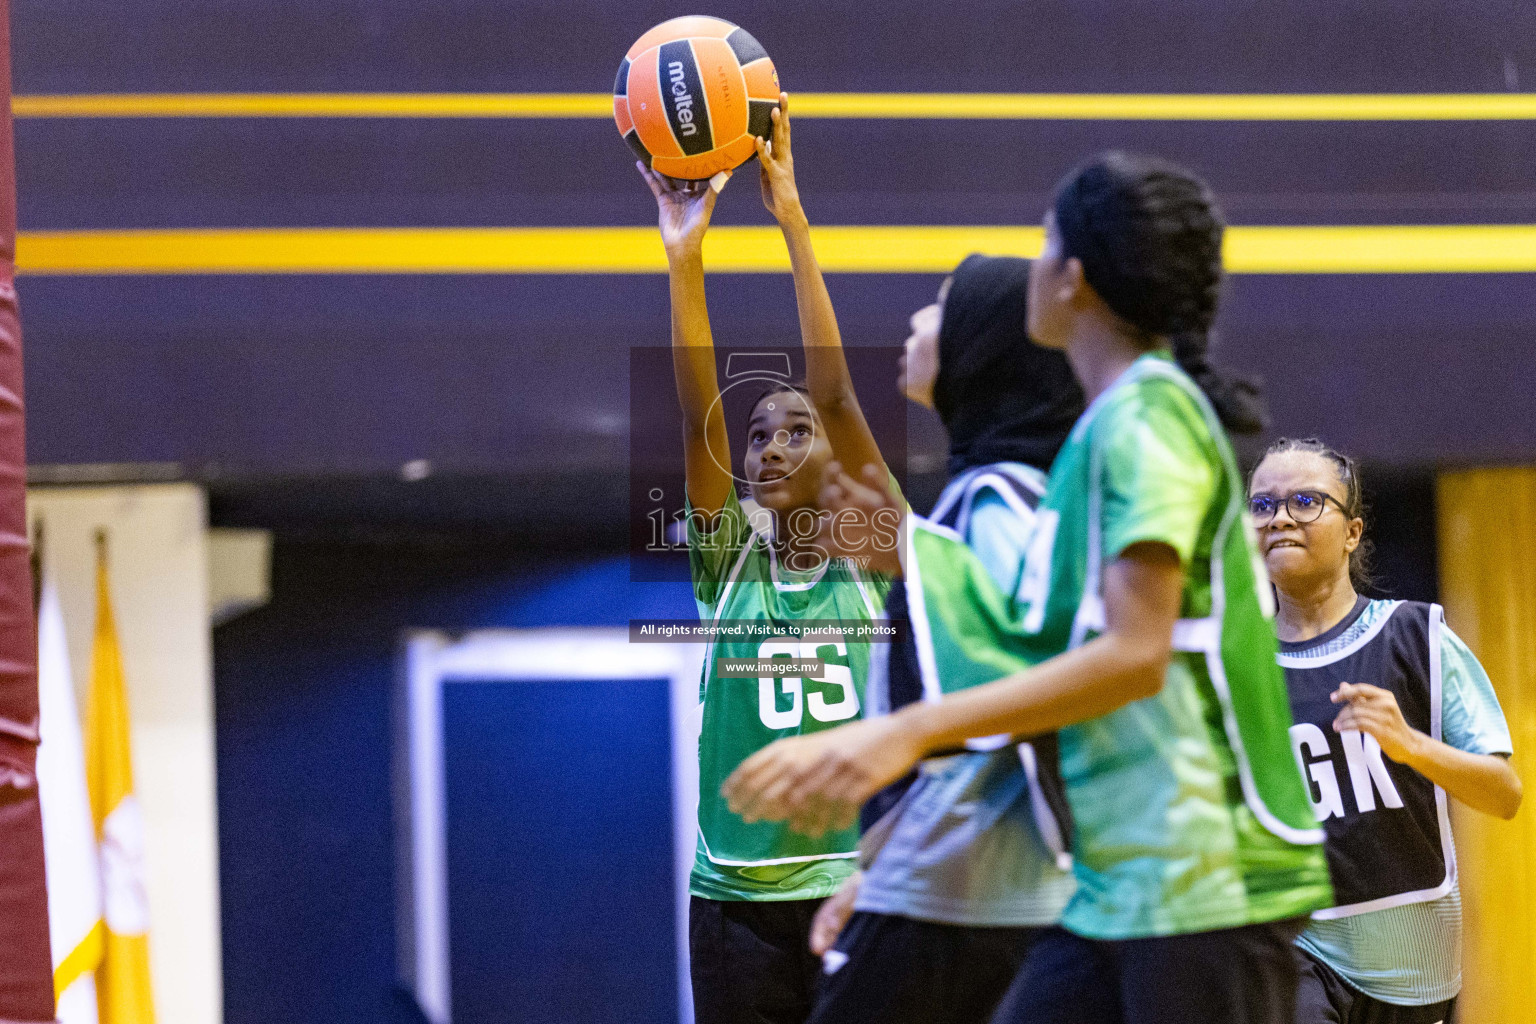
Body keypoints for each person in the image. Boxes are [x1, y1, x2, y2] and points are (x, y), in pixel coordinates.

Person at [723, 151, 1333, 1024]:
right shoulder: (1103, 432)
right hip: (1115, 877)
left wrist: (901, 733)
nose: (1031, 264)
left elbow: (1133, 655)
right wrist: (913, 557)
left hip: (1210, 873)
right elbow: (1036, 640)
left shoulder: (1146, 417)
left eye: (1044, 242)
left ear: (1075, 279)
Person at [640, 93, 894, 1024]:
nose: (775, 448)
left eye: (796, 433)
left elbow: (834, 393)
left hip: (845, 889)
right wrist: (684, 253)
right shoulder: (728, 564)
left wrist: (791, 220)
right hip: (733, 901)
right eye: (760, 438)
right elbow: (694, 406)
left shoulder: (868, 558)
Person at [805, 254, 1085, 1024]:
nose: (916, 322)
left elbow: (1021, 676)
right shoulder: (1001, 491)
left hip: (967, 886)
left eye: (938, 307)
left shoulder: (999, 499)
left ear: (978, 346)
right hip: (972, 878)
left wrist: (906, 549)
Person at [1248, 438, 1521, 1024]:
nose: (1282, 518)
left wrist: (1409, 745)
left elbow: (1504, 793)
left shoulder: (1416, 636)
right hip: (1297, 941)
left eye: (1305, 500)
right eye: (1263, 506)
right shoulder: (1239, 663)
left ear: (1352, 532)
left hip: (1414, 966)